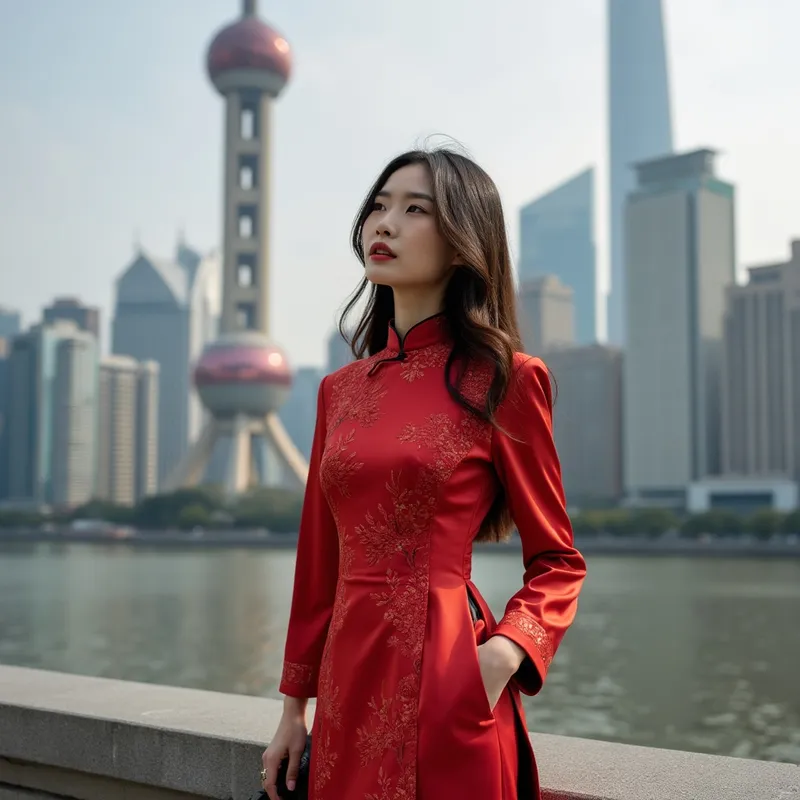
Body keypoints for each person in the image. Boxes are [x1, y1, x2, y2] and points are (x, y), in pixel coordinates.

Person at [261, 147, 586, 800]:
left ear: (464, 242)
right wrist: (294, 710)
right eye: (378, 206)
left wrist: (498, 659)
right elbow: (318, 561)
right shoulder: (339, 391)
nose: (384, 223)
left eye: (415, 210)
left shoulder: (506, 379)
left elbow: (557, 561)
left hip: (449, 682)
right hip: (348, 693)